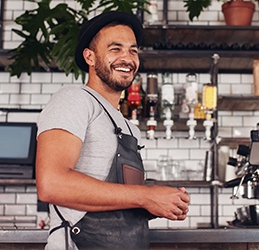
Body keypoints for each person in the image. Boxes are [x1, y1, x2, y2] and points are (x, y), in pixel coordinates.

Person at [35, 11, 190, 250]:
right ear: (90, 56)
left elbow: (122, 199)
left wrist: (157, 203)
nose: (127, 58)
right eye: (115, 49)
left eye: (133, 50)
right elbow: (51, 183)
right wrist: (146, 196)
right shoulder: (74, 100)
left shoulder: (128, 127)